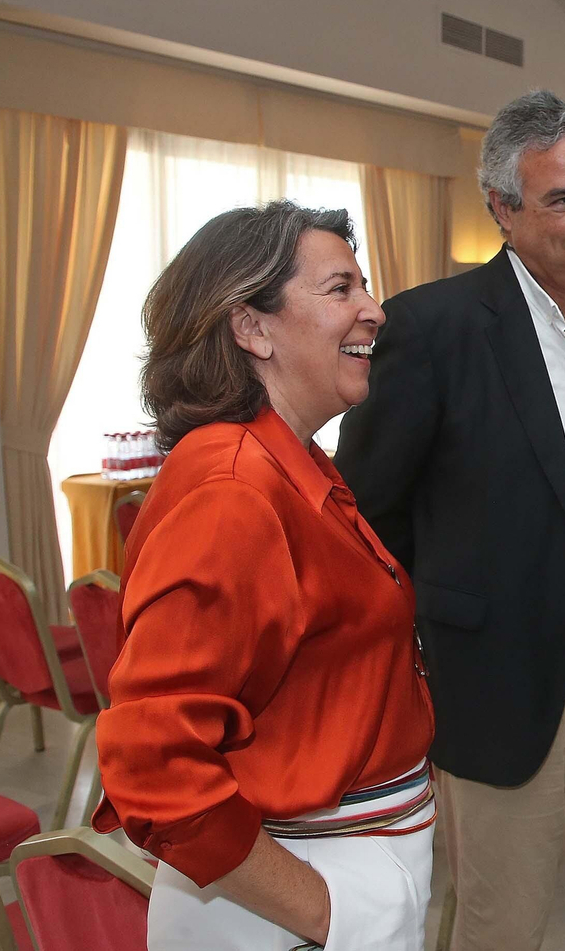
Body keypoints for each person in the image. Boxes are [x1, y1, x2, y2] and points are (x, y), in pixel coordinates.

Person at [335, 90, 565, 951]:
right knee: (504, 930)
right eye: (562, 199)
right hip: (510, 681)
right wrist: (440, 643)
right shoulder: (435, 327)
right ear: (502, 208)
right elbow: (367, 518)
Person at [93, 201, 436, 950]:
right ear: (251, 328)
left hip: (339, 867)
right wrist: (324, 912)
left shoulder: (291, 464)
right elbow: (152, 761)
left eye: (365, 287)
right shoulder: (234, 490)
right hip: (292, 900)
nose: (374, 311)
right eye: (341, 288)